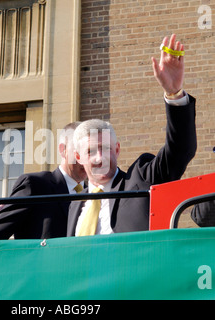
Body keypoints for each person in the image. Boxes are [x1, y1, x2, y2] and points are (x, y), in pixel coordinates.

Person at [67, 34, 197, 236]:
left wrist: (174, 94)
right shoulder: (73, 205)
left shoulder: (142, 180)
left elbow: (180, 150)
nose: (100, 157)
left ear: (117, 149)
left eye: (107, 148)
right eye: (91, 151)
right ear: (78, 157)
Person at [0, 122, 87, 240]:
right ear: (63, 149)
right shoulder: (35, 185)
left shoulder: (96, 193)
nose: (86, 159)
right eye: (79, 150)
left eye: (90, 152)